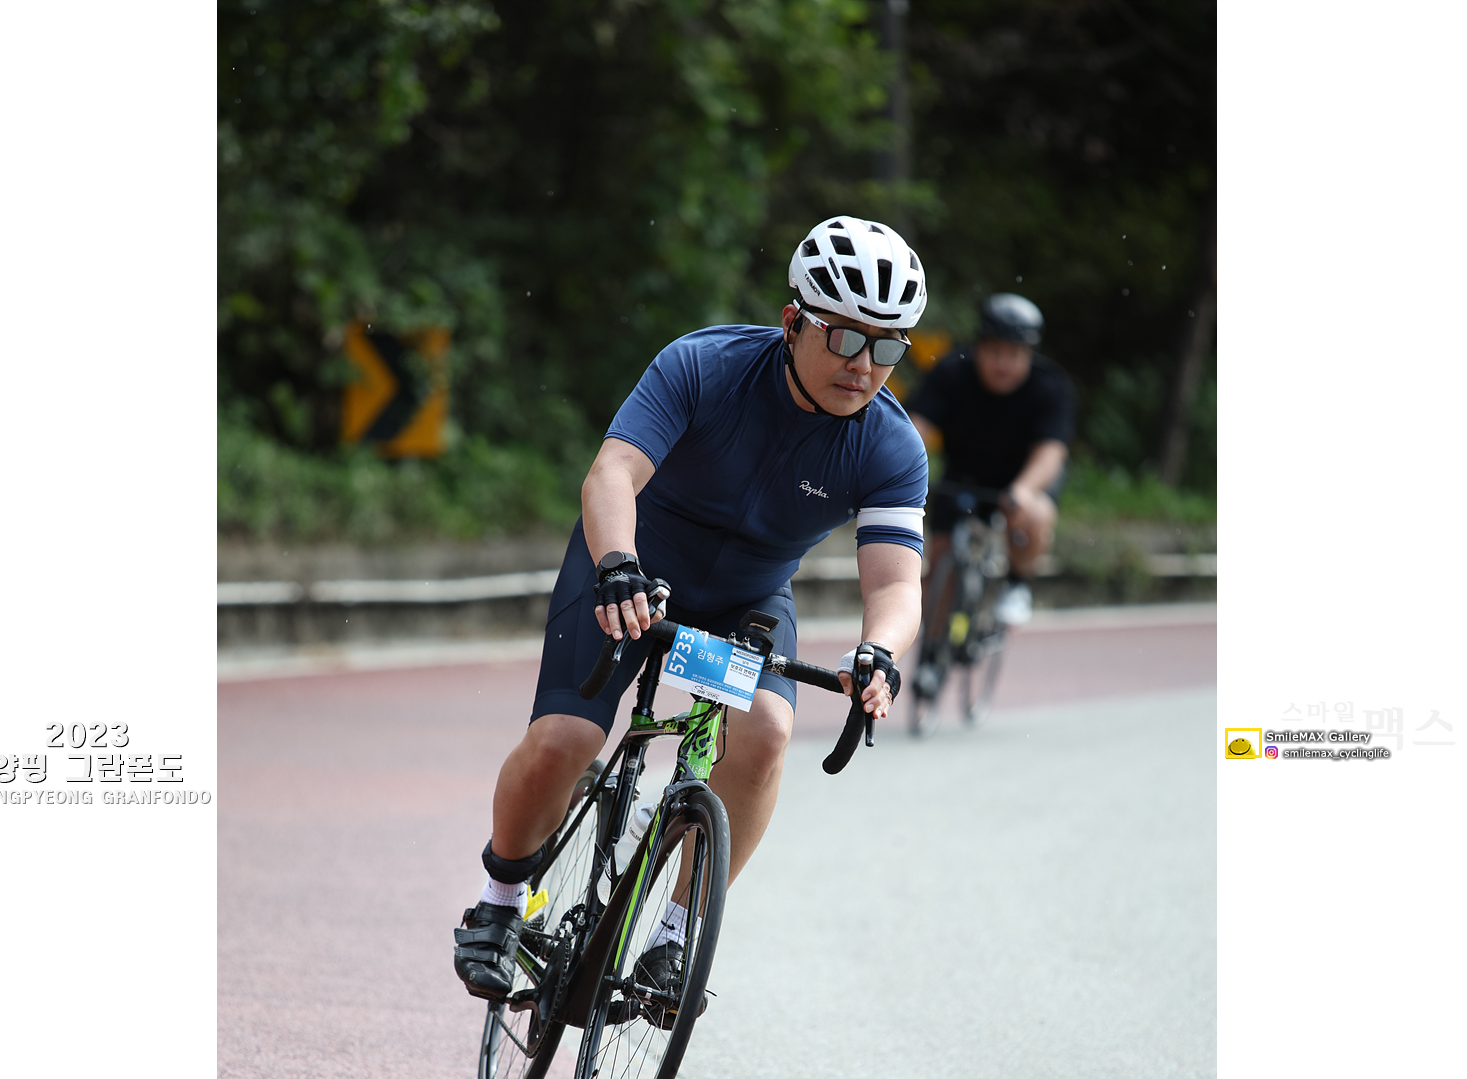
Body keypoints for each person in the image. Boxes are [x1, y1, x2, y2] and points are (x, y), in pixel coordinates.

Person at [453, 215, 931, 1008]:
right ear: (793, 321)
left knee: (766, 732)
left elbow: (896, 587)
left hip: (746, 600)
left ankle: (675, 935)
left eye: (887, 347)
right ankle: (500, 904)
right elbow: (612, 473)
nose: (863, 366)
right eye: (846, 337)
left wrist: (879, 650)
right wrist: (616, 566)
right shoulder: (705, 365)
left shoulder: (891, 446)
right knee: (567, 737)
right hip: (632, 569)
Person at [906, 293, 1075, 627]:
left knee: (1034, 513)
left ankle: (1016, 583)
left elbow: (1051, 452)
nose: (1003, 364)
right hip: (963, 476)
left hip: (1023, 480)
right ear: (979, 347)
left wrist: (1023, 489)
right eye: (995, 351)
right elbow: (915, 428)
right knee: (938, 563)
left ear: (1029, 354)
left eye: (1014, 354)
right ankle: (934, 647)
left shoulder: (1050, 387)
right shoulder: (952, 372)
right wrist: (900, 469)